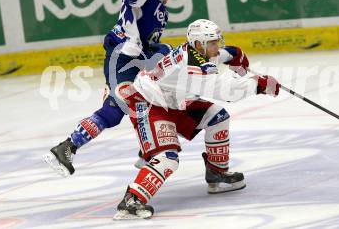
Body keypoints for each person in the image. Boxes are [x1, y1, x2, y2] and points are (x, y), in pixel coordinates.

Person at [113, 19, 280, 220]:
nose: (216, 47)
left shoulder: (194, 51)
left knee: (218, 117)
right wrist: (258, 84)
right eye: (213, 43)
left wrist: (234, 54)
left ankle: (216, 172)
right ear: (199, 44)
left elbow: (218, 56)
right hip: (149, 104)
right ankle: (131, 201)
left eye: (217, 41)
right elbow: (226, 91)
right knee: (168, 159)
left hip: (173, 101)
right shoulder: (195, 67)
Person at [43, 0, 180, 177]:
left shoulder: (159, 9)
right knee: (115, 111)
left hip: (134, 60)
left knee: (165, 67)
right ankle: (66, 148)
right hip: (122, 59)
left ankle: (146, 150)